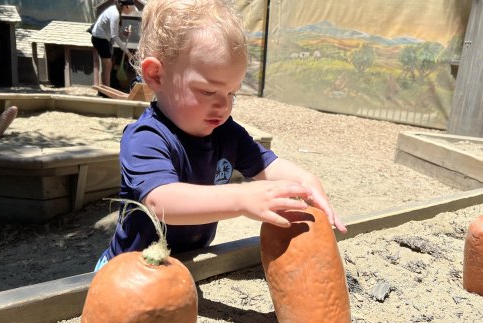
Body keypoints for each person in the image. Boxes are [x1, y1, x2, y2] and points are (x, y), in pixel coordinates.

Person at [95, 0, 346, 270]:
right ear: (156, 75)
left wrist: (305, 182)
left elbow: (268, 165)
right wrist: (241, 199)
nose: (224, 106)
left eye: (231, 93)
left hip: (187, 266)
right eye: (207, 91)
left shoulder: (226, 133)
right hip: (130, 270)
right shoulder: (145, 137)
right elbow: (161, 201)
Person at [90, 0, 136, 87]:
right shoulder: (115, 14)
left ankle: (105, 88)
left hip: (105, 38)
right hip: (100, 39)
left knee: (108, 65)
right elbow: (114, 36)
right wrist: (127, 52)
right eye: (131, 9)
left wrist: (124, 33)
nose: (131, 12)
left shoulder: (116, 10)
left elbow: (113, 32)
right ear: (126, 7)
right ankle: (106, 91)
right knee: (107, 66)